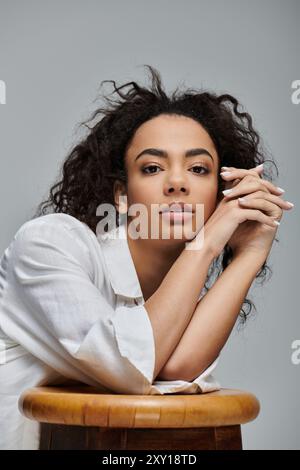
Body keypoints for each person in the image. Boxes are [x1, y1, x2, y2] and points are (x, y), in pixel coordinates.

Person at [0, 65, 294, 449]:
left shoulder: (180, 284)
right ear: (122, 195)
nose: (177, 182)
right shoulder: (49, 243)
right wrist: (206, 244)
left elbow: (172, 373)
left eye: (199, 168)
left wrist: (250, 253)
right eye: (153, 168)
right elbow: (130, 365)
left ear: (220, 195)